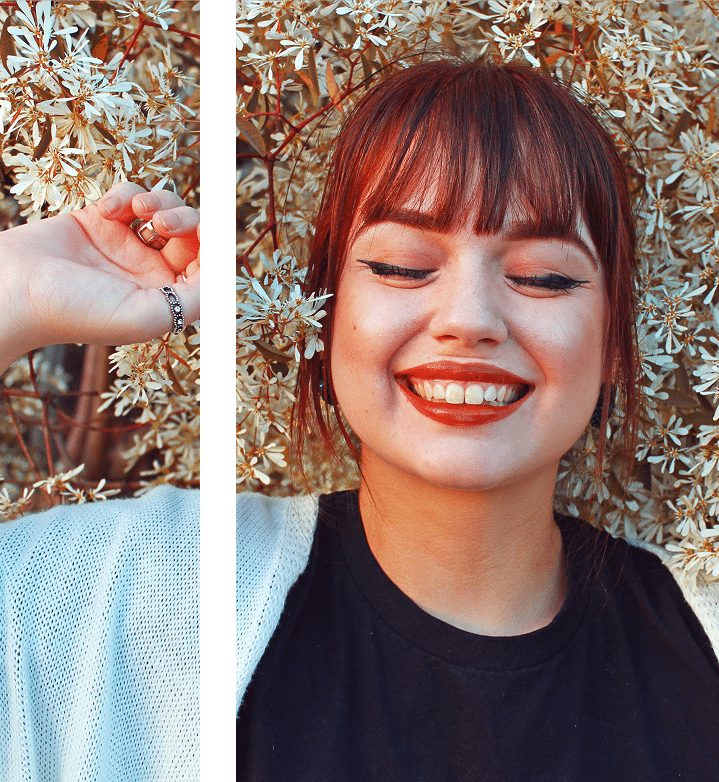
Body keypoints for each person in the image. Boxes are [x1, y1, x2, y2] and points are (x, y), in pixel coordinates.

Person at [236, 58, 719, 780]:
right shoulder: (167, 590)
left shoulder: (699, 644)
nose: (468, 321)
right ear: (323, 311)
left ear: (616, 341)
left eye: (542, 277)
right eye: (401, 266)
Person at [0, 182, 200, 780]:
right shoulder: (120, 577)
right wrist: (18, 289)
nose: (466, 321)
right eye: (407, 267)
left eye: (502, 272)